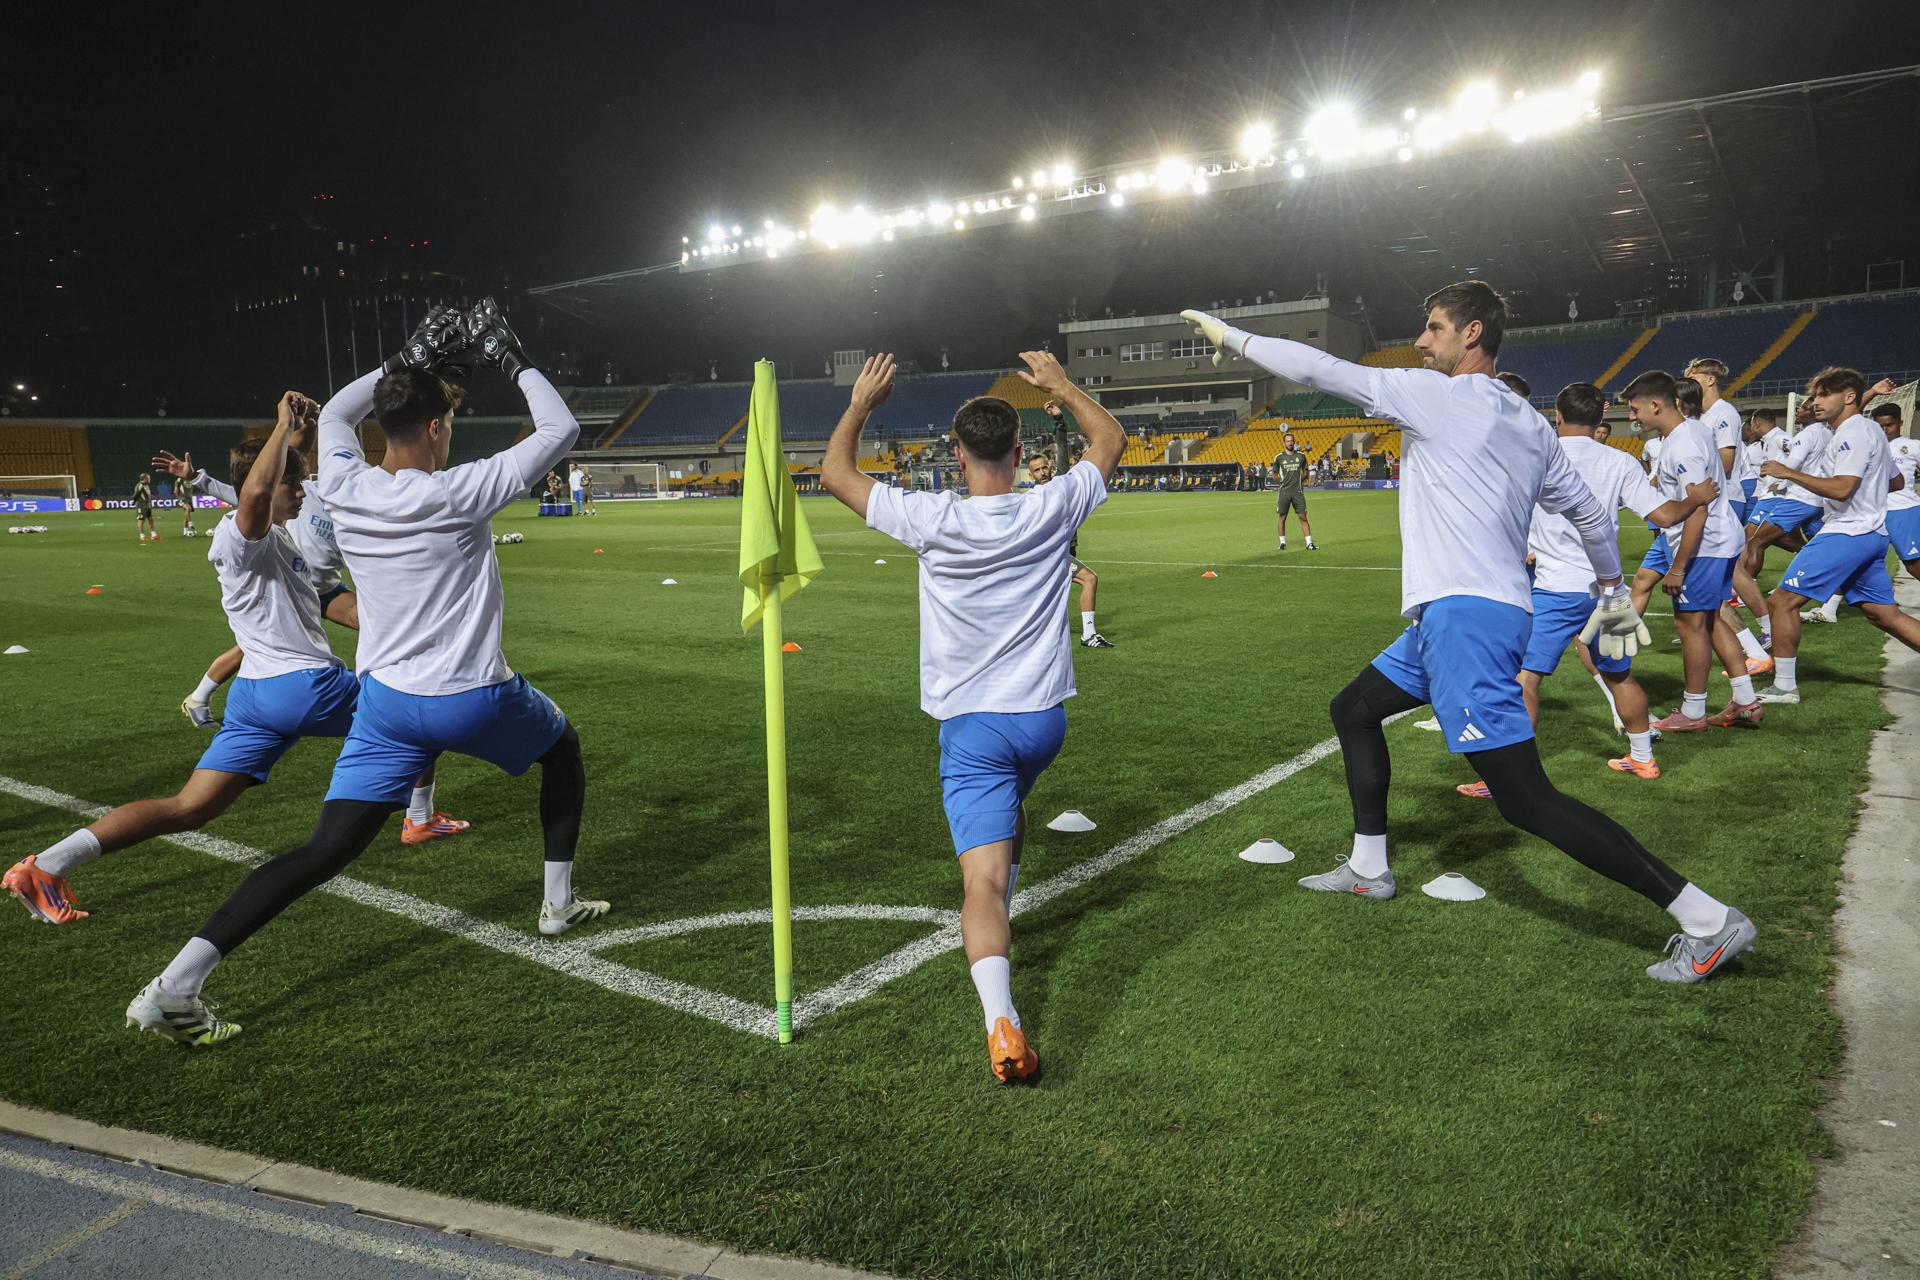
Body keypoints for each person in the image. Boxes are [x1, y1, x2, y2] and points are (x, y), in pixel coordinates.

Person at [1182, 283, 1755, 984]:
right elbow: (1592, 520)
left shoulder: (1441, 398)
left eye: (1431, 328)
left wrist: (1227, 336)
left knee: (1526, 799)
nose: (1421, 343)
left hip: (1464, 617)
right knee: (1353, 710)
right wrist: (1609, 589)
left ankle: (1705, 918)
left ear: (1472, 332)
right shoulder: (1532, 423)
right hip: (1479, 614)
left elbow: (1320, 369)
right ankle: (1368, 866)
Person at [123, 302, 600, 1047]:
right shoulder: (457, 490)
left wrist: (404, 359)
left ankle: (175, 985)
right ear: (440, 427)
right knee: (562, 750)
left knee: (320, 852)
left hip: (384, 705)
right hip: (469, 696)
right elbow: (561, 430)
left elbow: (342, 409)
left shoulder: (342, 480)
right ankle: (557, 905)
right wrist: (510, 356)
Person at [820, 350, 1126, 1081]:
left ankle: (1001, 1022)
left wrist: (863, 403)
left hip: (976, 729)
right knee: (1012, 812)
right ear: (1020, 454)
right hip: (1043, 722)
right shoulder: (1055, 504)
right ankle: (1005, 921)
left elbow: (835, 474)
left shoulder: (932, 518)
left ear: (957, 456)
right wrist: (1059, 385)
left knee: (980, 886)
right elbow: (1110, 441)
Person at [6, 394, 361, 929]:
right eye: (295, 483)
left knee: (190, 807)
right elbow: (261, 489)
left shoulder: (273, 530)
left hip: (257, 697)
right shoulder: (246, 536)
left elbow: (275, 479)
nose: (302, 491)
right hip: (305, 686)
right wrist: (282, 424)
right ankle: (419, 818)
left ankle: (47, 865)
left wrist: (300, 434)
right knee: (419, 708)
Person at [152, 440, 469, 845]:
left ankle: (59, 859)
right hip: (290, 596)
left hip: (313, 591)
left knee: (391, 633)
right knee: (412, 702)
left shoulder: (358, 498)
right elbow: (252, 492)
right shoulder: (304, 496)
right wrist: (198, 478)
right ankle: (412, 816)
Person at [1455, 382, 1718, 797]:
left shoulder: (1535, 458)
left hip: (1555, 589)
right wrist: (1696, 499)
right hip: (1608, 589)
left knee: (1523, 679)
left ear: (1556, 416)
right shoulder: (1622, 462)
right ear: (1601, 420)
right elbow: (1666, 516)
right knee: (1620, 676)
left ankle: (1507, 780)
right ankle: (1643, 757)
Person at [1756, 367, 1920, 704]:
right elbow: (1896, 482)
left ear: (1848, 397)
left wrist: (1788, 472)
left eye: (1823, 395)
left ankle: (1785, 686)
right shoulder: (1869, 431)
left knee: (1782, 601)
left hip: (1849, 532)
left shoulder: (1852, 433)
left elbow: (1844, 488)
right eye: (1815, 396)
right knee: (1883, 615)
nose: (1816, 402)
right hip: (1871, 532)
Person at [1622, 372, 1764, 731]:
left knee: (1691, 625)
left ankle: (1693, 712)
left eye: (1635, 409)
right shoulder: (1692, 431)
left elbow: (1699, 507)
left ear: (1656, 405)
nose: (1632, 418)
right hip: (1706, 539)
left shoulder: (1683, 444)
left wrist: (1680, 568)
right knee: (1710, 620)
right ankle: (1746, 701)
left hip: (1703, 544)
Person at [1877, 401, 1920, 578]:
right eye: (1880, 426)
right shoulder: (1870, 445)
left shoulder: (1913, 446)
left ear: (1900, 423)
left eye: (1889, 425)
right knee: (1856, 560)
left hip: (1902, 510)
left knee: (1913, 565)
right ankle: (1829, 607)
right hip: (1872, 511)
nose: (1885, 429)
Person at [1270, 431, 1315, 550]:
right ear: (1284, 443)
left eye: (1291, 441)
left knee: (1303, 516)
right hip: (1284, 492)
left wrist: (1301, 479)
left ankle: (1309, 543)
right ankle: (1282, 542)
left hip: (1298, 491)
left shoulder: (1301, 456)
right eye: (1288, 441)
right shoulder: (1279, 457)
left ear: (1294, 442)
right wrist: (1281, 484)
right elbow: (1274, 474)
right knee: (1282, 517)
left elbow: (1306, 471)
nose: (1290, 443)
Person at [133, 472, 157, 542]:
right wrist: (134, 500)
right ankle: (142, 536)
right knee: (141, 520)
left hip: (147, 505)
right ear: (144, 478)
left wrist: (150, 497)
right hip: (141, 505)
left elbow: (146, 494)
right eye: (148, 478)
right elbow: (136, 494)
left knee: (150, 520)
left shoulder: (146, 485)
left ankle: (153, 535)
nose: (150, 479)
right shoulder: (140, 485)